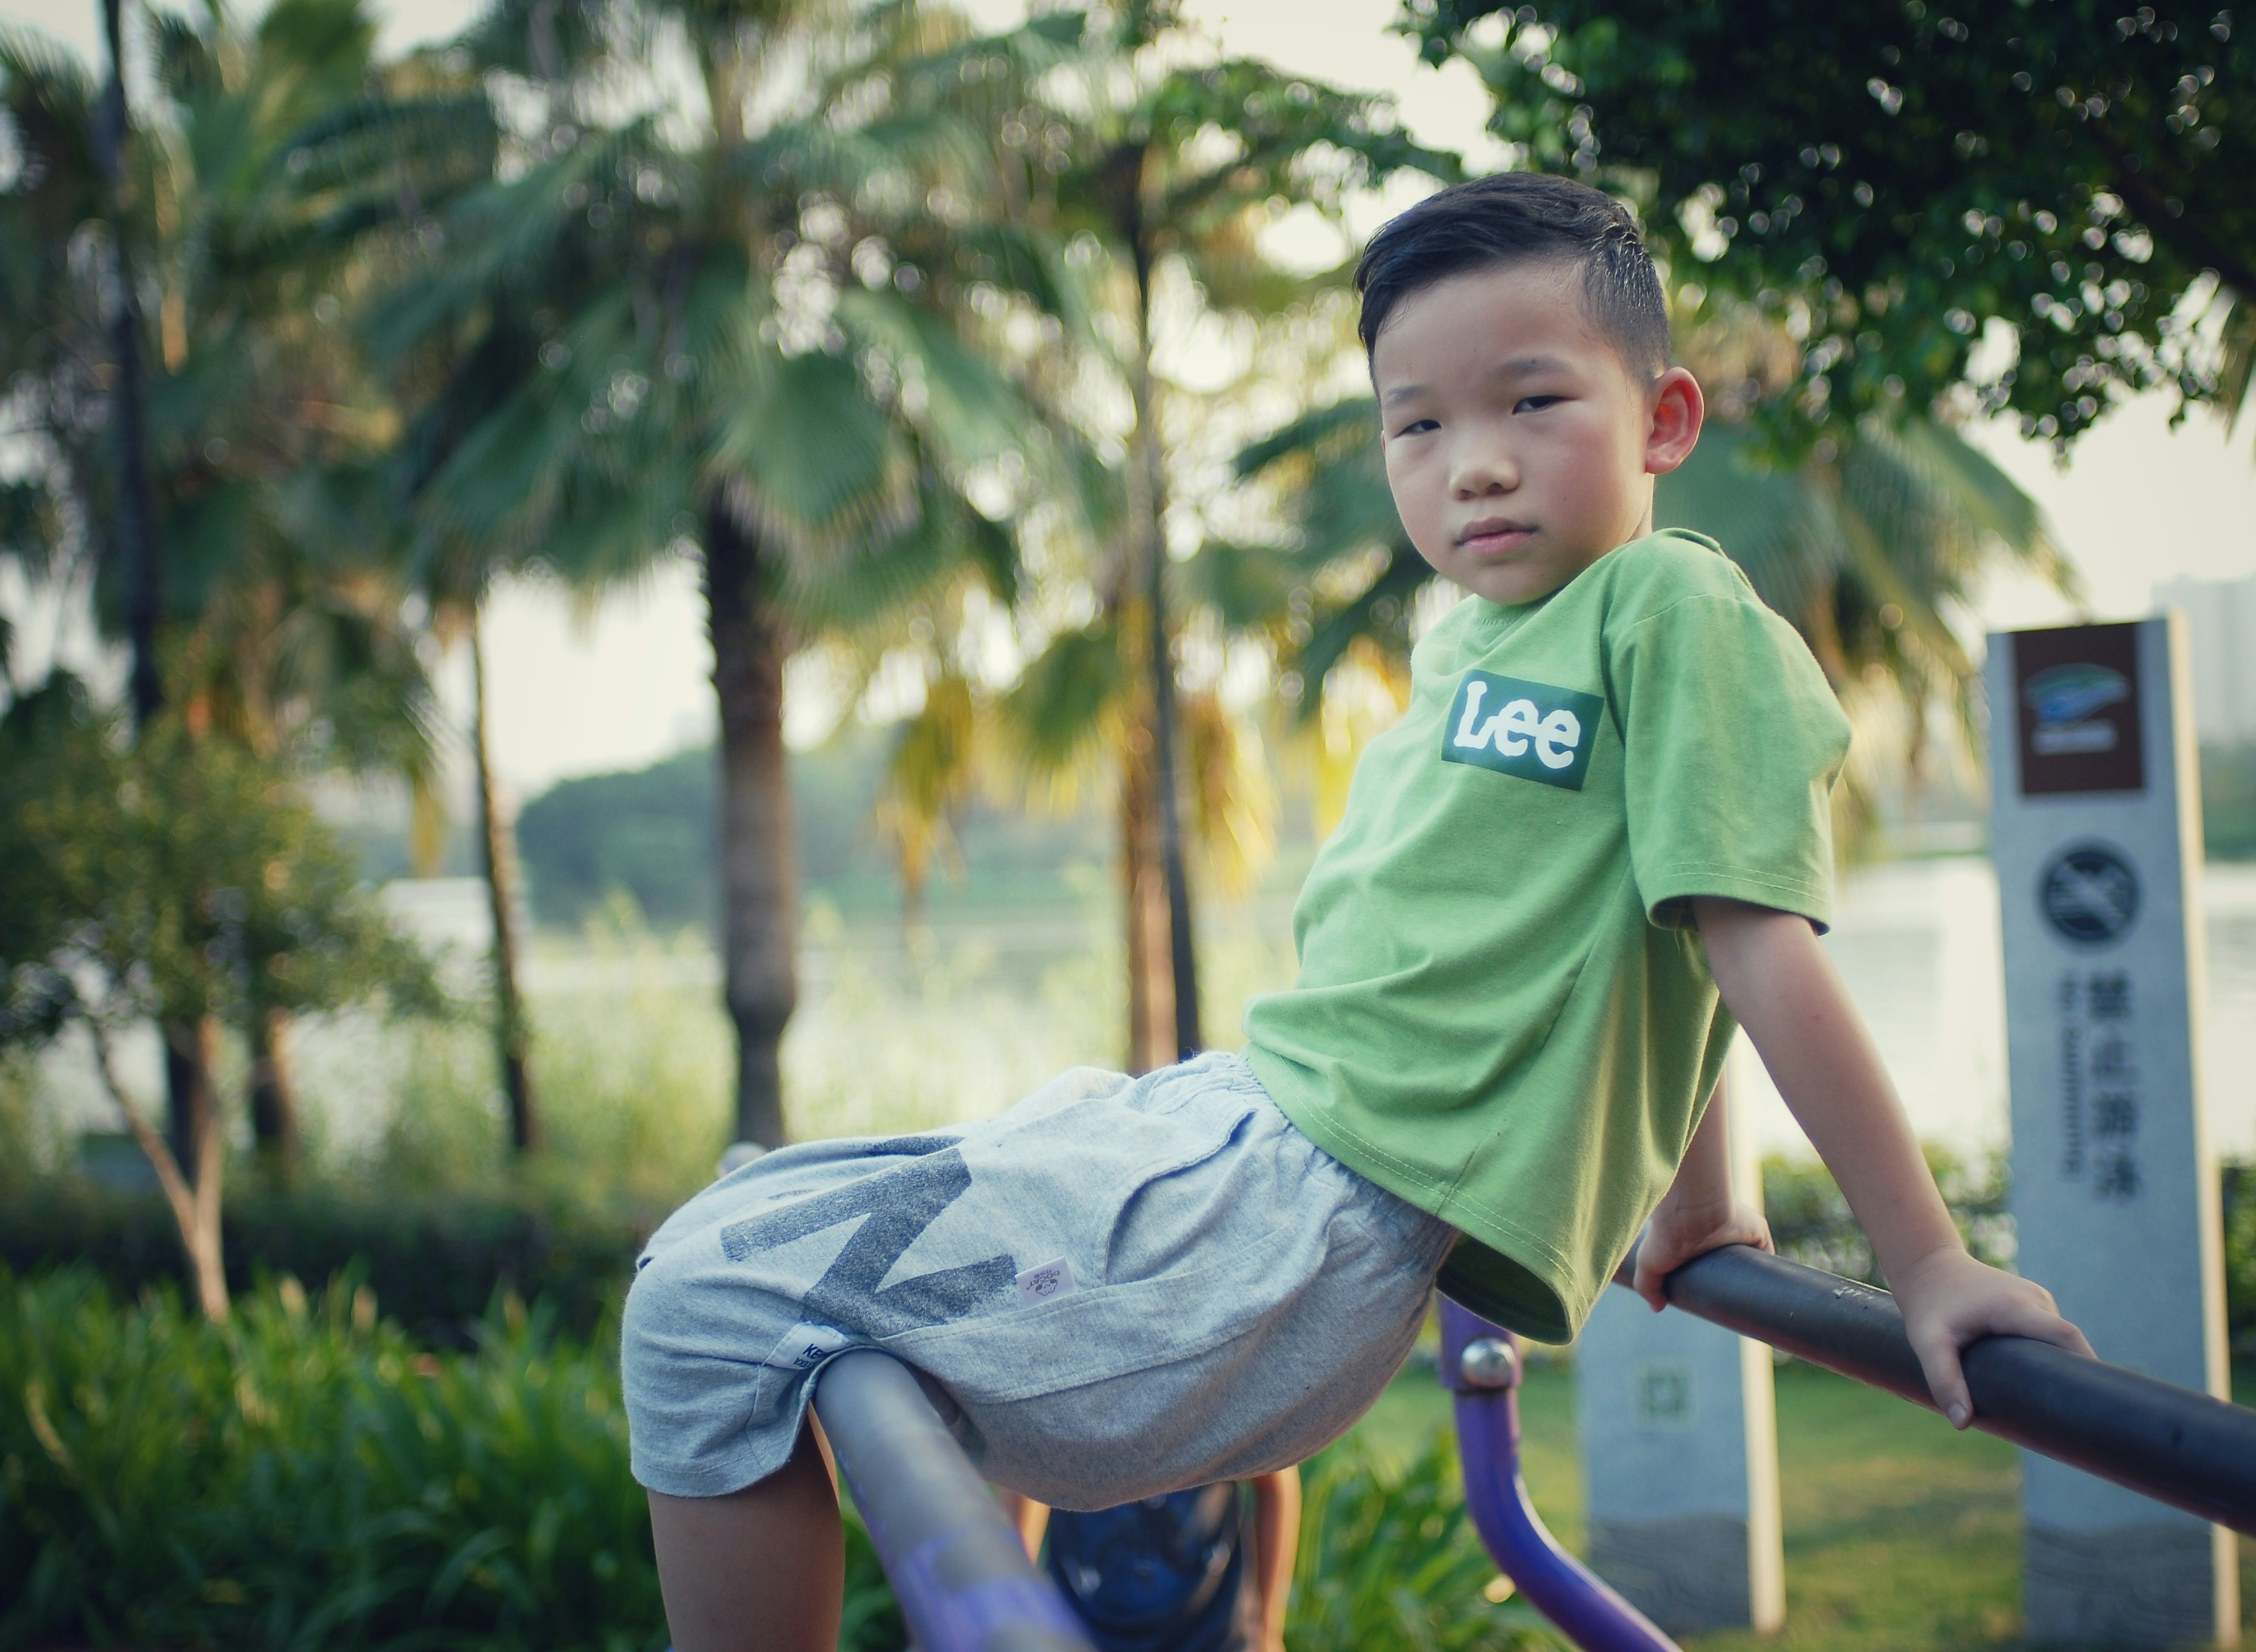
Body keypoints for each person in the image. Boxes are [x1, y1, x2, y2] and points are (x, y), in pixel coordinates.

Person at [624, 172, 2092, 1652]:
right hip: (1239, 1126)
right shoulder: (1479, 640)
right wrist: (1703, 1202)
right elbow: (1655, 926)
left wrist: (1926, 1264)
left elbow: (1747, 935)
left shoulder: (1670, 610)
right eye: (1421, 424)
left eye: (1532, 404)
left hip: (1306, 1209)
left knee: (707, 1301)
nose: (1476, 467)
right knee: (732, 1225)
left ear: (1663, 422)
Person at [1004, 1470, 1301, 1652]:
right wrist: (1010, 1604)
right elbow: (1029, 1472)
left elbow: (1276, 1483)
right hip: (1080, 1625)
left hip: (1210, 1629)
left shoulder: (1219, 1380)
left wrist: (1267, 1629)